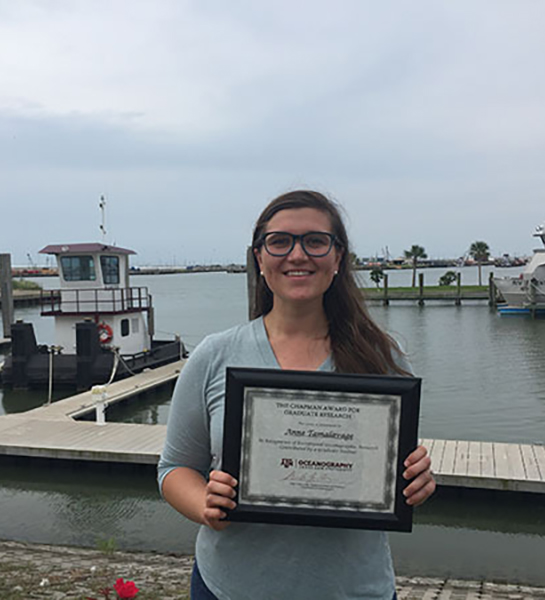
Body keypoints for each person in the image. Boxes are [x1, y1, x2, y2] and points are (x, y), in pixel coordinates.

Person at [158, 190, 436, 600]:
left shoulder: (382, 357)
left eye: (316, 241)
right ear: (259, 257)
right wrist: (205, 505)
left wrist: (417, 483)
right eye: (280, 241)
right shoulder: (215, 355)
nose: (298, 254)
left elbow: (392, 471)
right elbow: (175, 468)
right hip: (231, 587)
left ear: (338, 257)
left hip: (354, 589)